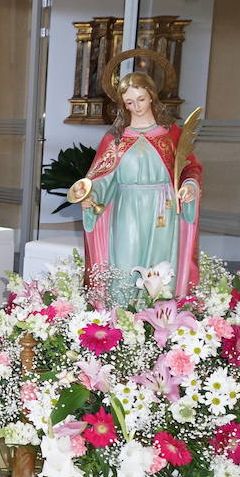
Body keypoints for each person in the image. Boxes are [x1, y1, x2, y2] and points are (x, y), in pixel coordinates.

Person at [79, 71, 202, 303]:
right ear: (123, 105)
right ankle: (122, 317)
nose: (136, 106)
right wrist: (90, 195)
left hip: (163, 209)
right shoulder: (115, 139)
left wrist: (189, 186)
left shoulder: (170, 134)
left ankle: (158, 316)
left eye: (141, 99)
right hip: (127, 207)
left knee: (160, 265)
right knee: (125, 261)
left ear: (152, 96)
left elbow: (189, 167)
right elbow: (101, 177)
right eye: (129, 102)